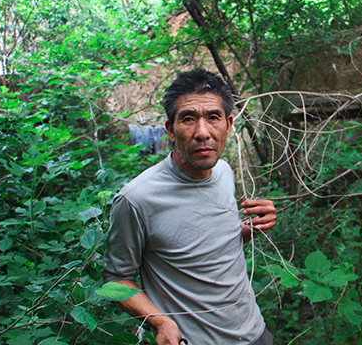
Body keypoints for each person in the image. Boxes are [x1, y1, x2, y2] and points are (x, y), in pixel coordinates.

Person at [103, 68, 277, 345]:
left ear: (228, 124)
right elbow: (116, 280)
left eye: (213, 117)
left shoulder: (223, 172)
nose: (202, 133)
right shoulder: (137, 199)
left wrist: (250, 228)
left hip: (256, 333)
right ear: (170, 130)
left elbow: (210, 243)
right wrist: (160, 322)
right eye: (188, 119)